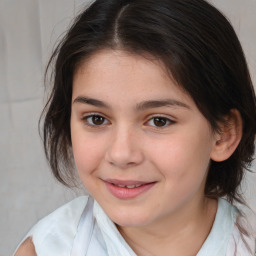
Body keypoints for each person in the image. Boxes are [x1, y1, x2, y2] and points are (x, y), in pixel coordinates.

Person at [14, 0, 256, 255]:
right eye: (96, 119)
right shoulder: (47, 249)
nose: (120, 154)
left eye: (159, 121)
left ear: (224, 135)